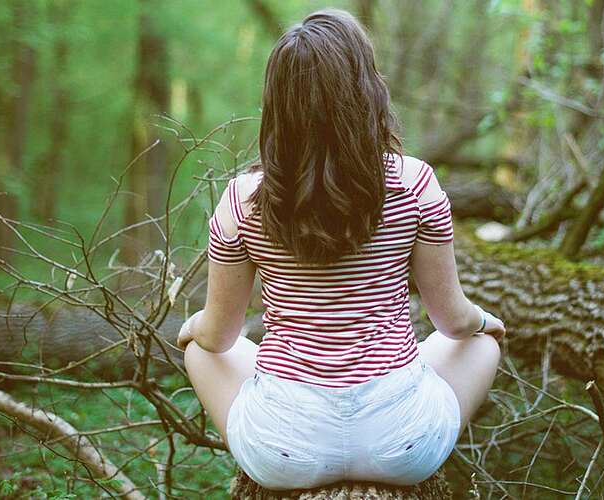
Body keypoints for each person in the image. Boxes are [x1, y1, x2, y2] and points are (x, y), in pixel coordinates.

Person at [176, 7, 505, 491]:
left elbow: (219, 338)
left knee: (200, 354)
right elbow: (452, 322)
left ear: (278, 104)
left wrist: (192, 328)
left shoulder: (243, 200)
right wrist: (483, 322)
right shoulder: (414, 184)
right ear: (366, 90)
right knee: (479, 344)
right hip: (401, 446)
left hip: (287, 451)